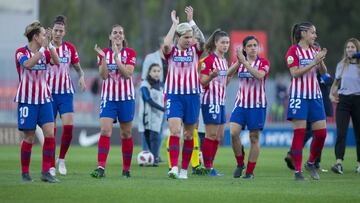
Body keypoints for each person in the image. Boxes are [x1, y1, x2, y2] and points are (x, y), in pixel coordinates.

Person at [15, 21, 60, 183]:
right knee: (29, 137)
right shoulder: (21, 52)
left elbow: (57, 61)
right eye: (42, 35)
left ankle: (46, 172)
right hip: (27, 100)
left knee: (50, 134)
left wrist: (50, 46)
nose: (44, 36)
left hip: (44, 100)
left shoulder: (45, 52)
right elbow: (28, 64)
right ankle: (25, 173)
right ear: (35, 37)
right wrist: (43, 49)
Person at [163, 6, 205, 179]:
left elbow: (202, 40)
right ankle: (173, 167)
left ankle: (184, 170)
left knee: (188, 134)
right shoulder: (171, 52)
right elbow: (166, 44)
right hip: (174, 95)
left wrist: (191, 22)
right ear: (178, 37)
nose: (190, 40)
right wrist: (174, 25)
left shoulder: (195, 50)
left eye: (190, 37)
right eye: (186, 37)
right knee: (174, 131)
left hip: (192, 95)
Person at [91, 24, 136, 178]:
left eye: (120, 33)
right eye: (115, 33)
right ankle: (101, 167)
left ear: (123, 37)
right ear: (110, 36)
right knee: (105, 131)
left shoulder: (130, 53)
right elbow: (103, 76)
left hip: (126, 98)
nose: (118, 35)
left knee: (126, 133)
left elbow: (127, 74)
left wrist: (117, 58)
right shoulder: (103, 53)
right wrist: (104, 58)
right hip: (109, 98)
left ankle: (126, 169)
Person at [284, 22, 328, 180]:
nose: (315, 36)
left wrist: (320, 60)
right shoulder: (293, 51)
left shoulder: (315, 50)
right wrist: (313, 63)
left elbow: (323, 73)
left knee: (322, 134)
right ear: (303, 33)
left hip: (315, 96)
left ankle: (310, 163)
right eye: (313, 33)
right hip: (299, 96)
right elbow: (295, 73)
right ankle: (297, 171)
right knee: (300, 133)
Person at [47, 15, 86, 176]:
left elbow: (78, 68)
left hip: (66, 93)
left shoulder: (69, 48)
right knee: (51, 131)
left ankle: (61, 159)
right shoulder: (46, 47)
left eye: (60, 31)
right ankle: (50, 165)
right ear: (52, 31)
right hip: (48, 93)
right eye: (56, 30)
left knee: (69, 128)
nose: (58, 33)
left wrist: (82, 77)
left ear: (64, 32)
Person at [227, 36, 270, 179]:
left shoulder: (263, 62)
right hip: (240, 104)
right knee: (233, 132)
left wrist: (244, 62)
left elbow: (259, 75)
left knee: (254, 138)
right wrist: (238, 62)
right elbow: (227, 74)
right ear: (244, 48)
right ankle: (240, 164)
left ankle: (250, 171)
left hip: (257, 106)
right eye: (250, 45)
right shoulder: (239, 62)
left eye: (255, 45)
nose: (253, 48)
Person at [199, 29, 230, 176]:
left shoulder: (224, 61)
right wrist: (211, 76)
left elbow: (224, 83)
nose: (225, 45)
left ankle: (210, 165)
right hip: (210, 100)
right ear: (216, 43)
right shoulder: (209, 60)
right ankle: (208, 167)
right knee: (210, 135)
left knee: (219, 136)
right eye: (223, 42)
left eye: (227, 42)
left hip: (221, 101)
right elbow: (202, 81)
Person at [329, 38, 360, 174]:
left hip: (358, 100)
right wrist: (331, 94)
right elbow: (336, 83)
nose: (349, 49)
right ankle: (338, 163)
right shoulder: (341, 65)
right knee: (341, 133)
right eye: (347, 47)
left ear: (357, 49)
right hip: (344, 101)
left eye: (352, 47)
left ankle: (359, 164)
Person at [140, 37, 167, 158]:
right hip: (152, 92)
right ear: (162, 44)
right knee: (148, 126)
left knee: (159, 126)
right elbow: (144, 76)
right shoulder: (151, 57)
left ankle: (155, 154)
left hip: (164, 91)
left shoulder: (172, 57)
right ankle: (147, 154)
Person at [138, 63, 165, 166]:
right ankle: (154, 158)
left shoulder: (162, 85)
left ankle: (154, 157)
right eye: (154, 71)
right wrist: (163, 108)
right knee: (149, 136)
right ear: (149, 72)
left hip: (158, 116)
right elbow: (148, 100)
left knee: (156, 137)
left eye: (158, 71)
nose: (157, 73)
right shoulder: (145, 84)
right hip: (147, 116)